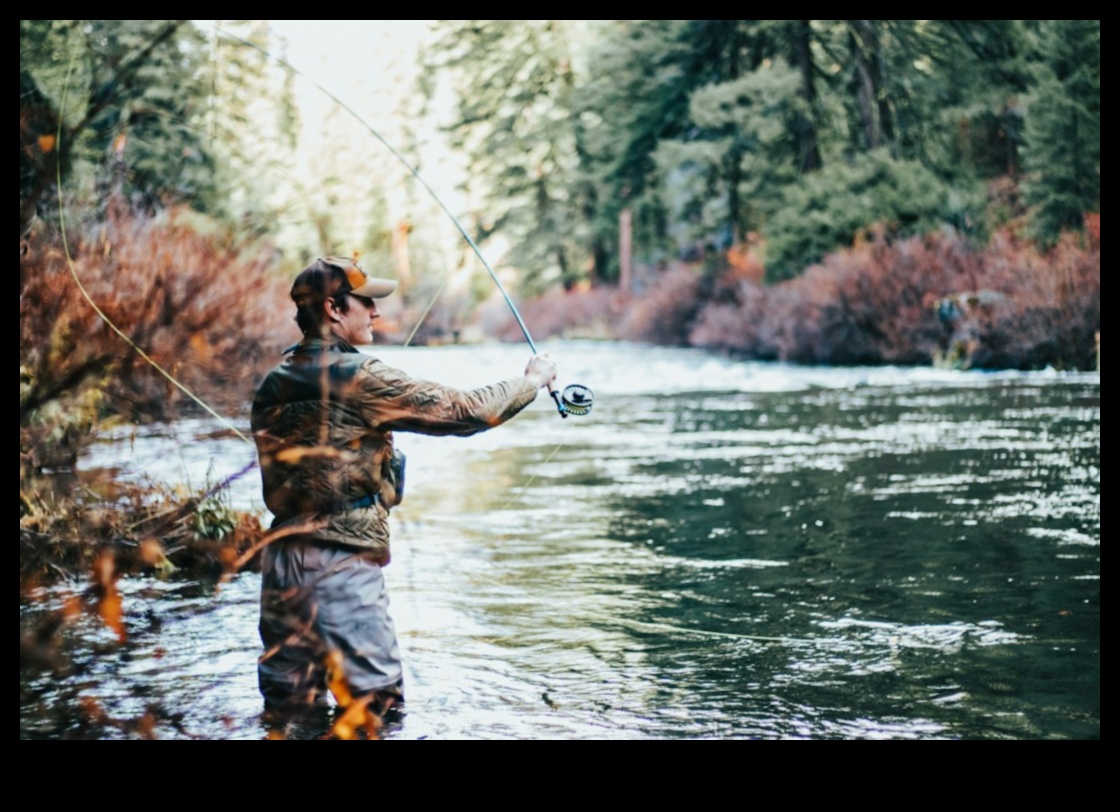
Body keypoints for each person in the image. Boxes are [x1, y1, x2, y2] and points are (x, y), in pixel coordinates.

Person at [250, 256, 557, 721]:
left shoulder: (273, 383)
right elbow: (465, 412)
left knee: (289, 717)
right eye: (366, 302)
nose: (375, 311)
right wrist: (530, 381)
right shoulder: (360, 376)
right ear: (333, 308)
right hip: (340, 563)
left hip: (280, 567)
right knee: (376, 714)